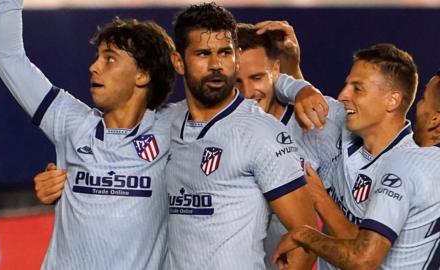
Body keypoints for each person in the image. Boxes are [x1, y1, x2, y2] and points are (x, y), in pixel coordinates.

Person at [0, 0, 176, 268]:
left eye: (109, 59)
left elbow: (236, 109)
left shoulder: (175, 129)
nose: (95, 67)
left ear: (143, 74)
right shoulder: (70, 121)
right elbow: (5, 56)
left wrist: (258, 44)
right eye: (97, 57)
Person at [166, 3, 317, 269]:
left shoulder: (263, 133)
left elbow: (305, 236)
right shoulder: (163, 122)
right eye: (202, 54)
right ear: (178, 61)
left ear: (236, 57)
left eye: (224, 53)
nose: (215, 65)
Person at [273, 71, 440, 269]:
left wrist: (303, 234)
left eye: (423, 99)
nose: (418, 106)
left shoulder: (408, 163)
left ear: (435, 120)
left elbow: (363, 259)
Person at [236, 22, 342, 269]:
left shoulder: (320, 125)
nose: (247, 92)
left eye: (256, 77)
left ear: (275, 69)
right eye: (236, 81)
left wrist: (299, 82)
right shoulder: (218, 134)